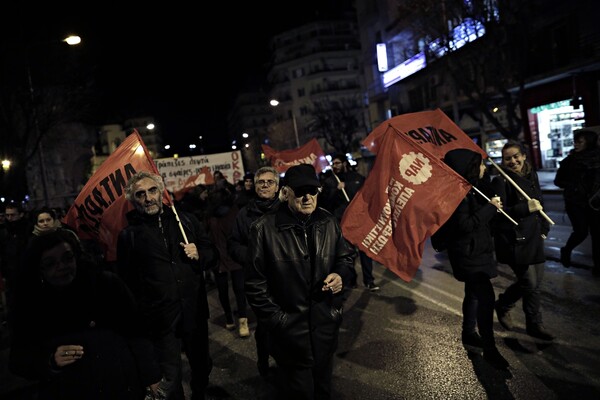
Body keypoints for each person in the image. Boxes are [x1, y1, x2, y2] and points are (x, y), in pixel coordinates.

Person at [9, 229, 163, 400]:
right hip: (69, 389)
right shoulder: (32, 303)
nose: (61, 267)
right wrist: (49, 360)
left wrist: (151, 377)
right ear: (39, 269)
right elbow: (19, 358)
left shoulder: (106, 285)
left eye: (67, 258)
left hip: (120, 384)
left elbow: (137, 331)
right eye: (50, 263)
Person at [245, 163, 356, 399]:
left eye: (312, 191)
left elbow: (345, 260)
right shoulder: (263, 229)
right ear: (286, 193)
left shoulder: (328, 222)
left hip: (325, 329)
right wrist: (280, 321)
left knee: (324, 390)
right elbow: (255, 285)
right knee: (300, 393)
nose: (307, 197)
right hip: (289, 337)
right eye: (300, 191)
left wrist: (340, 277)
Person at [116, 171, 218, 400]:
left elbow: (213, 254)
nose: (148, 198)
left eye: (152, 190)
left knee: (202, 365)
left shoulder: (187, 221)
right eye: (140, 194)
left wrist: (199, 253)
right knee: (170, 378)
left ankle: (199, 393)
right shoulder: (128, 236)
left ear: (161, 192)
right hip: (160, 318)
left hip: (193, 310)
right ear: (134, 200)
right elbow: (126, 282)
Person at [441, 149, 509, 369]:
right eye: (479, 165)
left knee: (473, 293)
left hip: (476, 251)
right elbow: (465, 225)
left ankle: (468, 332)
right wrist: (490, 208)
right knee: (486, 298)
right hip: (468, 255)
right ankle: (489, 348)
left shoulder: (469, 189)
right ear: (468, 168)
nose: (483, 168)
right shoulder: (457, 194)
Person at [491, 141, 554, 341]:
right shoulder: (501, 181)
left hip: (534, 237)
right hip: (515, 240)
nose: (513, 161)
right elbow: (498, 215)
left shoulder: (531, 175)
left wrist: (544, 230)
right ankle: (507, 307)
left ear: (524, 156)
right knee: (529, 282)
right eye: (507, 158)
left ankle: (533, 324)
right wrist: (524, 208)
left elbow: (540, 204)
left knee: (535, 284)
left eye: (516, 156)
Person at [228, 166, 281, 377]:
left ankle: (286, 363)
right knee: (265, 325)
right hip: (259, 281)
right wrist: (252, 257)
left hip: (285, 279)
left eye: (270, 182)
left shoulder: (287, 210)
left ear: (277, 187)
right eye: (261, 182)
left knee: (286, 324)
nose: (265, 185)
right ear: (255, 186)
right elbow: (233, 244)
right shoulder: (245, 214)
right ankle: (264, 361)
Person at [321, 153, 379, 291]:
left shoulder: (356, 178)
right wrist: (336, 190)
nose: (335, 166)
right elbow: (325, 203)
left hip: (359, 220)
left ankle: (369, 280)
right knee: (348, 252)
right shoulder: (329, 182)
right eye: (333, 164)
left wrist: (348, 187)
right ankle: (351, 279)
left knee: (365, 251)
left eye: (338, 163)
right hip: (342, 222)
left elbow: (366, 193)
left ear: (344, 164)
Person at [554, 128, 600, 276]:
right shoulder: (570, 161)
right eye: (575, 142)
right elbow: (558, 181)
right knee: (581, 232)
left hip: (595, 203)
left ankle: (597, 267)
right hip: (575, 202)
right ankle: (566, 250)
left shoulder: (598, 159)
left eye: (580, 142)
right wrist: (572, 185)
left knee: (597, 234)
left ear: (589, 142)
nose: (576, 145)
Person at [206, 187, 249, 338]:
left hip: (234, 257)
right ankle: (229, 317)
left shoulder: (234, 212)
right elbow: (207, 236)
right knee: (223, 291)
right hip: (218, 259)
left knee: (239, 289)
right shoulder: (210, 216)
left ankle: (243, 320)